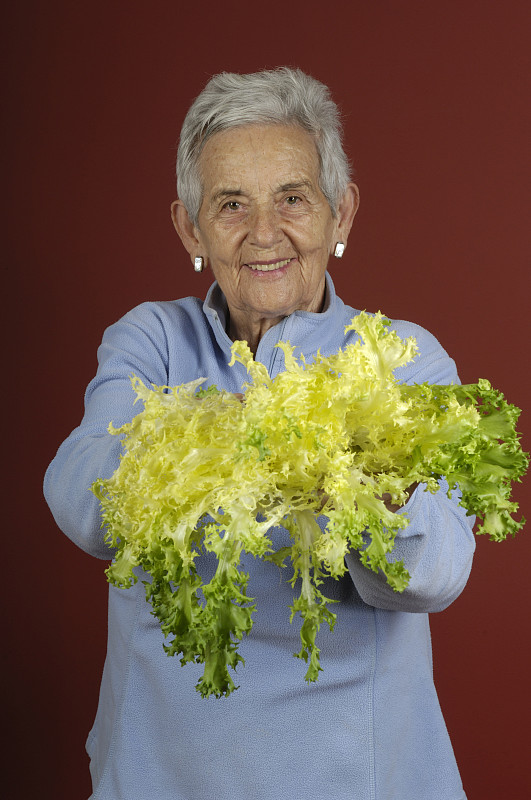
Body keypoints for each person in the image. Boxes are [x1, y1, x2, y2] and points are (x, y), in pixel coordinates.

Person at [44, 67, 475, 800]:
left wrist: (383, 497)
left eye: (293, 199)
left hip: (357, 781)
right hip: (158, 779)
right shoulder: (152, 339)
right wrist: (241, 437)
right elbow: (81, 499)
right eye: (231, 204)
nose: (264, 233)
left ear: (341, 215)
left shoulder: (399, 358)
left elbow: (433, 572)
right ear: (191, 226)